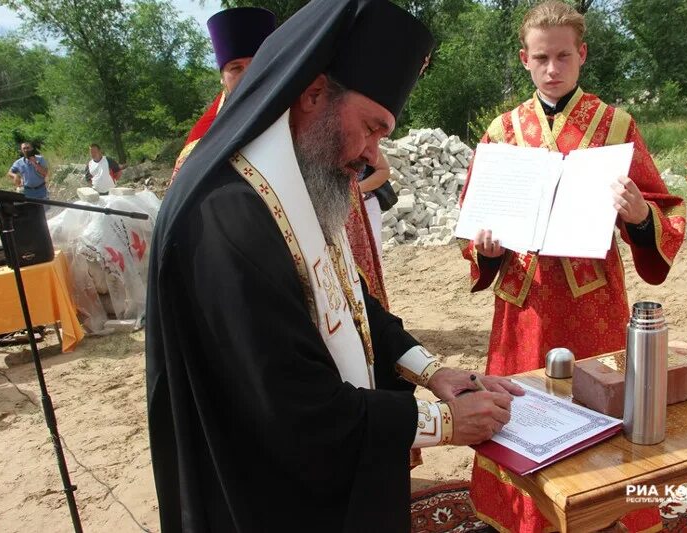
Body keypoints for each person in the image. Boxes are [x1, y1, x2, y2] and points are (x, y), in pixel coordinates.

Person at [145, 1, 524, 531]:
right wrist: (442, 423)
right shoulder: (227, 213)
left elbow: (347, 298)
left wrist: (434, 372)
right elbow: (288, 399)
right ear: (314, 94)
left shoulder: (293, 172)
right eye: (371, 127)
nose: (372, 154)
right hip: (264, 489)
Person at [461, 2, 686, 532]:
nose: (553, 68)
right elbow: (475, 216)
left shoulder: (617, 125)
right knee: (521, 416)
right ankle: (525, 519)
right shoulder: (501, 131)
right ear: (524, 58)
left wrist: (639, 215)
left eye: (564, 56)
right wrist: (484, 248)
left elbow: (665, 211)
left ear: (582, 54)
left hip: (593, 304)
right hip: (524, 306)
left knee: (601, 412)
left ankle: (605, 514)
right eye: (541, 57)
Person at [169, 7, 277, 181]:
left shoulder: (304, 107)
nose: (248, 75)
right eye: (236, 68)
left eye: (257, 62)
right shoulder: (202, 139)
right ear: (222, 79)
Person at [345, 147, 391, 308]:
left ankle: (372, 309)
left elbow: (383, 170)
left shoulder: (363, 136)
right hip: (334, 209)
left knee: (370, 256)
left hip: (366, 205)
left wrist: (355, 189)